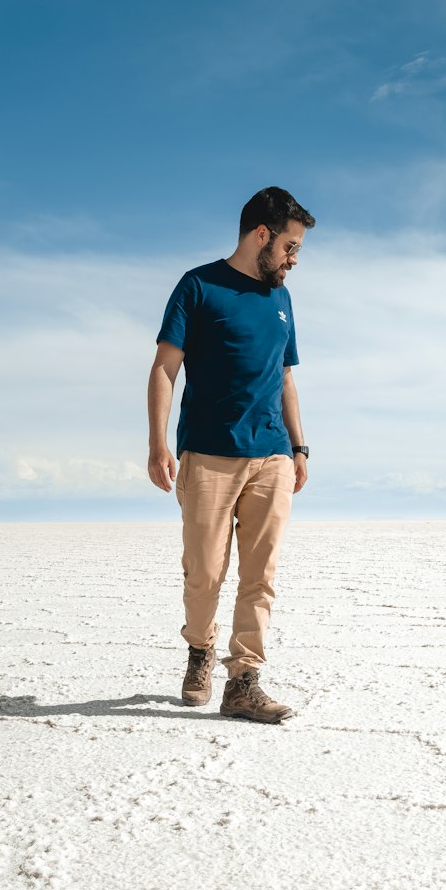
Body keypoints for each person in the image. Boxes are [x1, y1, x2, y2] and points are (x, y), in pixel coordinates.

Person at [147, 186, 313, 723]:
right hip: (209, 455)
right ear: (261, 234)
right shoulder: (198, 286)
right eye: (289, 247)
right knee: (205, 572)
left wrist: (299, 446)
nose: (293, 260)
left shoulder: (281, 299)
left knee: (260, 574)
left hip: (272, 456)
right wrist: (158, 442)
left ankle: (244, 680)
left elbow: (285, 378)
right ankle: (200, 652)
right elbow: (164, 368)